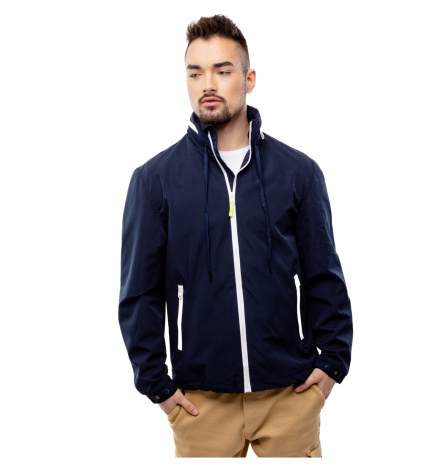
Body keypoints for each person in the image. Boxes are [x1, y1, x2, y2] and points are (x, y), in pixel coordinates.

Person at [118, 14, 353, 458]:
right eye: (195, 72)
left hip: (290, 395)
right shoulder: (154, 181)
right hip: (200, 404)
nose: (208, 84)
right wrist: (157, 386)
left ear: (249, 78)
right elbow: (139, 293)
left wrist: (333, 363)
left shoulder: (299, 173)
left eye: (222, 70)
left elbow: (324, 274)